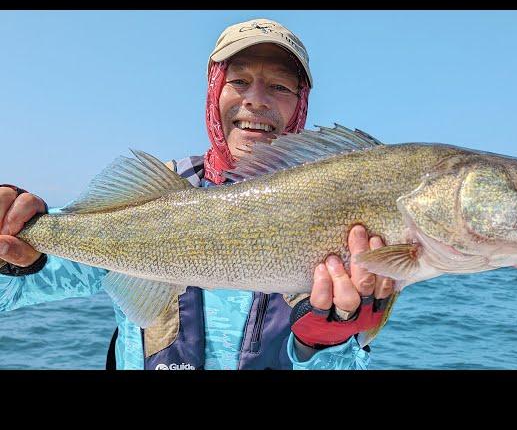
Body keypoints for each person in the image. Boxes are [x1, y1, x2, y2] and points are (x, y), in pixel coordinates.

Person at [0, 18, 395, 370]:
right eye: (239, 81)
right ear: (214, 90)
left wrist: (325, 344)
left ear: (300, 104)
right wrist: (11, 249)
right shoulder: (147, 202)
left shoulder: (348, 210)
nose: (256, 99)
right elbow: (9, 294)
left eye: (279, 86)